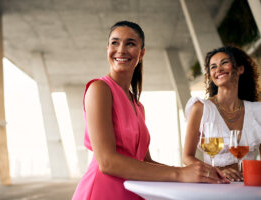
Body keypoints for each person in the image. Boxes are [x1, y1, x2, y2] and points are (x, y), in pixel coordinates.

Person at [72, 21, 228, 200]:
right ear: (107, 49)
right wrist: (179, 174)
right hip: (102, 192)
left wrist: (191, 172)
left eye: (130, 43)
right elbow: (107, 162)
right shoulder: (99, 89)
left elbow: (145, 162)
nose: (121, 49)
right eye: (115, 43)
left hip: (134, 192)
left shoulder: (138, 106)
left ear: (141, 53)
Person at [183, 46, 261, 182]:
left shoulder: (257, 110)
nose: (218, 69)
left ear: (240, 69)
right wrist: (217, 172)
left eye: (224, 62)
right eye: (213, 67)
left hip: (250, 185)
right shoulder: (201, 108)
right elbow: (187, 157)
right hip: (217, 184)